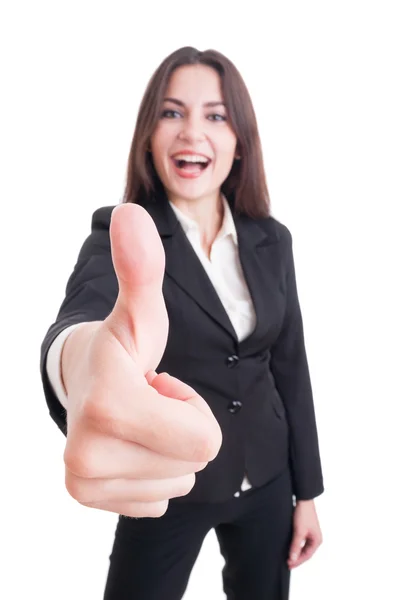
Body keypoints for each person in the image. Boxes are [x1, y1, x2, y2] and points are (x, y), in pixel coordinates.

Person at [40, 46, 324, 600]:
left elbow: (290, 368)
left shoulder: (273, 239)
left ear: (239, 142)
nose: (193, 131)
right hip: (173, 486)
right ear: (149, 136)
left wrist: (306, 492)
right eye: (172, 113)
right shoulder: (119, 234)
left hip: (269, 479)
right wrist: (76, 362)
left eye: (216, 115)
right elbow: (82, 317)